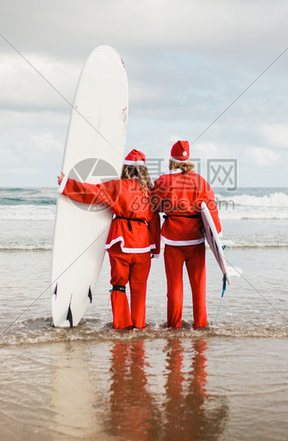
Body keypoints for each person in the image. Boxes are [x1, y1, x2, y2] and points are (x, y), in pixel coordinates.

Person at [58, 149, 158, 329]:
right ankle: (138, 327)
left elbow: (92, 193)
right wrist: (155, 248)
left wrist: (67, 183)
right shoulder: (150, 192)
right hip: (143, 245)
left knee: (119, 285)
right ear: (144, 171)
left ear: (126, 168)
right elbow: (155, 220)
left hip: (121, 242)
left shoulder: (117, 186)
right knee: (139, 288)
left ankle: (121, 326)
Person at [152, 140, 221, 328]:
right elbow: (211, 209)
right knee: (199, 286)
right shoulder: (200, 181)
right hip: (196, 238)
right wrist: (218, 236)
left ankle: (173, 325)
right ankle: (201, 324)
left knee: (174, 287)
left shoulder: (163, 181)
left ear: (171, 160)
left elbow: (152, 206)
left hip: (173, 238)